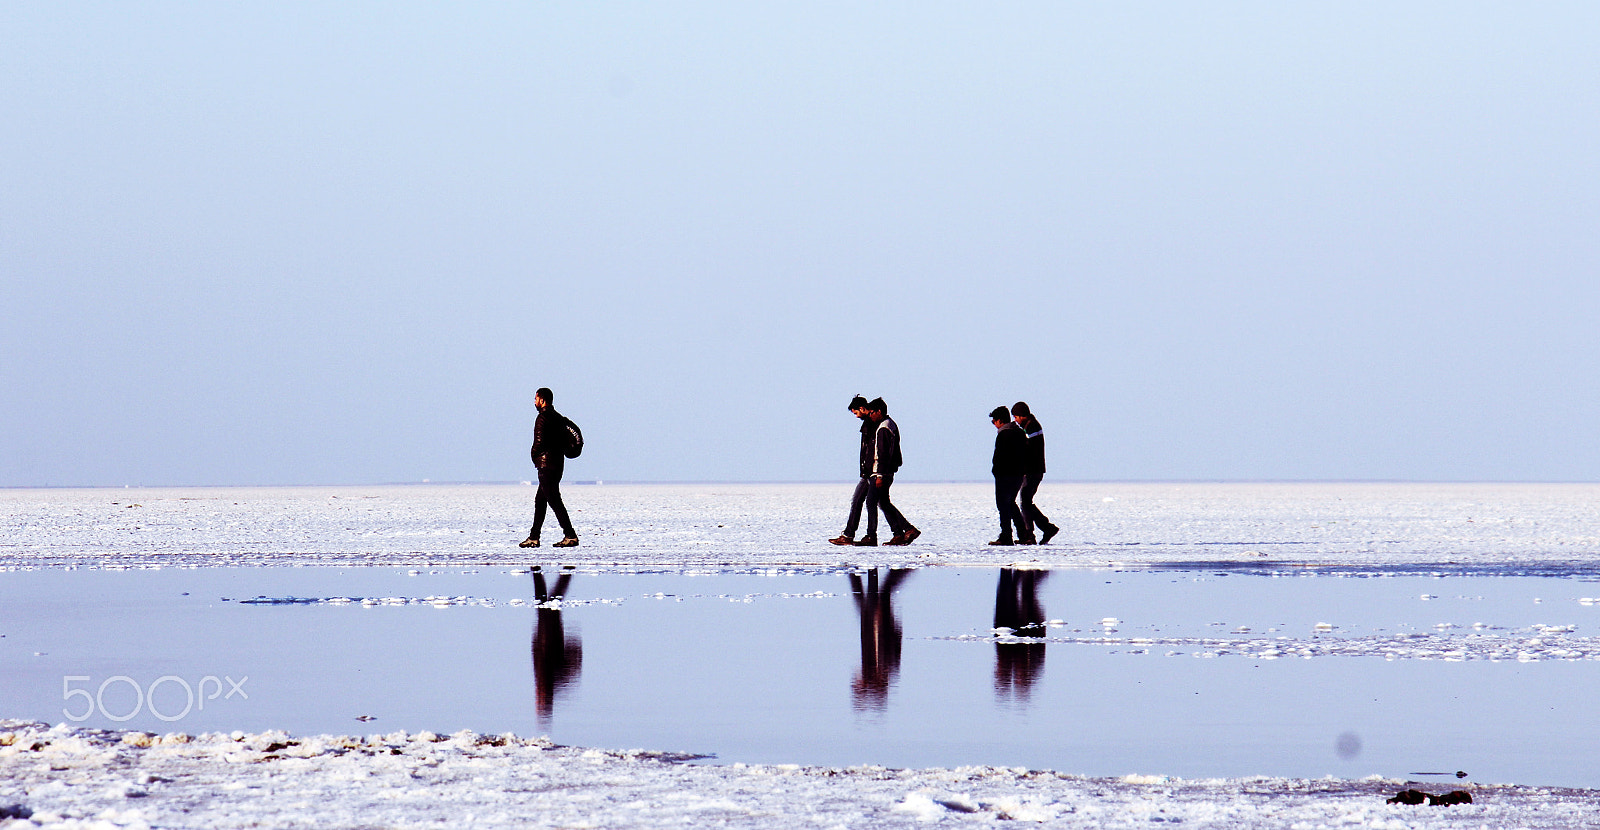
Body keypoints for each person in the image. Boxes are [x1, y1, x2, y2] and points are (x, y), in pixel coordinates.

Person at [520, 387, 578, 548]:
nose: (534, 402)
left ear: (542, 400)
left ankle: (570, 535)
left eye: (536, 398)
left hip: (546, 466)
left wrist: (534, 456)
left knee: (554, 500)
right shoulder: (558, 418)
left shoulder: (542, 418)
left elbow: (538, 442)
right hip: (558, 465)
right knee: (541, 500)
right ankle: (534, 537)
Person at [857, 398, 920, 546]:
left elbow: (882, 454)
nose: (870, 415)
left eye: (872, 412)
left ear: (879, 411)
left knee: (871, 502)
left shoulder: (884, 428)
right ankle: (901, 532)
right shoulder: (887, 425)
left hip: (880, 473)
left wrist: (879, 475)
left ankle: (871, 536)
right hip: (883, 472)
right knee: (884, 502)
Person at [1012, 402, 1060, 544]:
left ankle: (1032, 534)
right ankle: (1044, 528)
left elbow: (1028, 449)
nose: (1015, 420)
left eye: (1015, 417)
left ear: (1022, 415)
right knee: (1026, 502)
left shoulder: (1031, 427)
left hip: (1033, 470)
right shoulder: (1030, 426)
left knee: (1025, 502)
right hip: (1034, 469)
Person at [830, 395, 876, 546]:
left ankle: (863, 536)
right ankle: (851, 535)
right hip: (869, 472)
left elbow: (872, 450)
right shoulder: (869, 424)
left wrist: (869, 469)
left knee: (868, 502)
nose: (856, 416)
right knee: (865, 502)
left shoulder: (872, 424)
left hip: (872, 472)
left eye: (856, 412)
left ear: (862, 408)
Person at [989, 405, 1035, 546]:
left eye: (994, 422)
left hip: (1005, 475)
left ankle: (1006, 536)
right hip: (1018, 475)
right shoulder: (1019, 432)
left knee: (1003, 505)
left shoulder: (1004, 434)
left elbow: (999, 457)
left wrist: (996, 471)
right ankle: (1023, 534)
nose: (994, 425)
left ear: (999, 421)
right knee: (1011, 504)